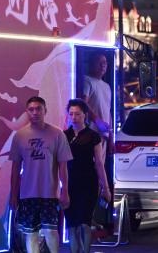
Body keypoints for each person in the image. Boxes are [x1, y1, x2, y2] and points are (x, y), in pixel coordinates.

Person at [9, 96, 72, 253]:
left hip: (49, 193)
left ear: (45, 111)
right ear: (27, 112)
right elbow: (15, 169)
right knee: (31, 234)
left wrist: (64, 191)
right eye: (31, 109)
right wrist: (14, 195)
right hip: (27, 194)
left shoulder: (57, 134)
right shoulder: (19, 136)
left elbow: (63, 166)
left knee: (51, 231)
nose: (35, 112)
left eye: (38, 109)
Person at [64, 99, 111, 253]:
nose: (74, 117)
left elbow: (99, 163)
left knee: (85, 222)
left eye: (77, 114)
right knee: (72, 224)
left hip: (88, 182)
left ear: (85, 115)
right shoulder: (64, 136)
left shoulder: (93, 136)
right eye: (71, 114)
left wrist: (106, 188)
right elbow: (59, 163)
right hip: (69, 182)